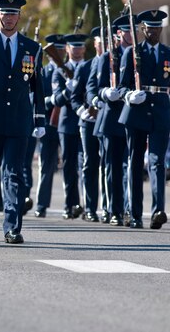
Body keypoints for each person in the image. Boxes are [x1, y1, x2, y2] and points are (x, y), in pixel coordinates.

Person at [0, 0, 45, 244]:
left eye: (13, 14)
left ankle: (13, 226)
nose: (9, 17)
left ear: (19, 17)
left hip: (18, 119)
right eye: (5, 13)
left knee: (14, 174)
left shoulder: (32, 48)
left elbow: (38, 86)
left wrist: (40, 118)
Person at [118, 9, 170, 229]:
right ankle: (134, 213)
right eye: (148, 27)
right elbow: (122, 85)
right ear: (142, 29)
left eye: (156, 27)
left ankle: (158, 211)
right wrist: (129, 96)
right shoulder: (132, 53)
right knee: (135, 163)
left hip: (160, 113)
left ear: (161, 28)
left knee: (157, 162)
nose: (152, 31)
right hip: (136, 111)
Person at [88, 16, 134, 226]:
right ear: (119, 34)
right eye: (127, 31)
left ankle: (130, 208)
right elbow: (95, 87)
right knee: (113, 168)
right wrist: (106, 92)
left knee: (131, 167)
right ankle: (113, 208)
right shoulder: (107, 57)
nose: (130, 35)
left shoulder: (138, 55)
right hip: (112, 118)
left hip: (134, 118)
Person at [51, 32, 88, 220]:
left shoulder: (89, 68)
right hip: (67, 124)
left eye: (80, 47)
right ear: (67, 49)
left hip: (86, 120)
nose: (77, 50)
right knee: (69, 166)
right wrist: (69, 89)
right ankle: (70, 205)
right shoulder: (59, 71)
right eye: (73, 47)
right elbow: (56, 99)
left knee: (86, 165)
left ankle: (87, 205)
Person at [71, 27, 102, 222]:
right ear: (95, 45)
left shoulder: (117, 63)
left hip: (110, 120)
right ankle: (90, 207)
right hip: (90, 122)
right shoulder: (86, 67)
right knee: (90, 164)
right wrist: (83, 112)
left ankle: (113, 207)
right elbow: (75, 97)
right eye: (100, 42)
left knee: (113, 165)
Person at [34, 34, 65, 218]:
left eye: (61, 49)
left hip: (68, 122)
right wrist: (51, 100)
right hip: (49, 123)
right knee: (46, 166)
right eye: (56, 50)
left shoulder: (69, 70)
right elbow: (37, 97)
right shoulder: (43, 72)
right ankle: (41, 204)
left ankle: (74, 205)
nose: (59, 53)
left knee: (73, 166)